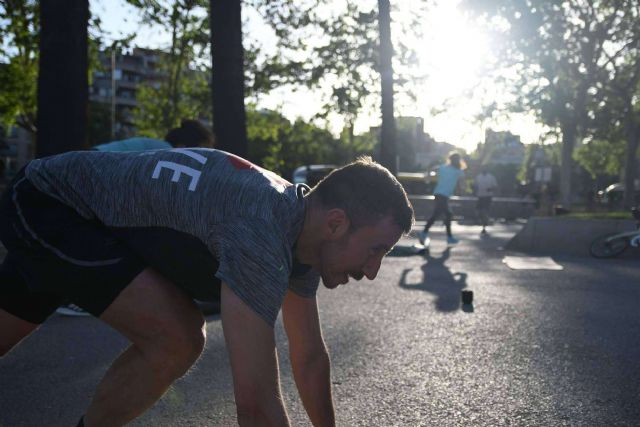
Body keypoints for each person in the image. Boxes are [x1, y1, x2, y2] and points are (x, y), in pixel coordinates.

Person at [0, 148, 413, 426]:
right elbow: (256, 407)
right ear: (336, 223)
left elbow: (309, 358)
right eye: (376, 250)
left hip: (70, 207)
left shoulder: (301, 231)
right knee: (177, 337)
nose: (373, 270)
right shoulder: (261, 232)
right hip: (49, 203)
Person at [56, 119, 216, 317]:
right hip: (87, 183)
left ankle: (74, 295)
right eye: (201, 150)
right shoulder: (167, 154)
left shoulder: (155, 147)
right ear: (184, 147)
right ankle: (80, 298)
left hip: (78, 177)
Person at [418, 152, 466, 246]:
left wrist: (427, 177)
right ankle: (447, 237)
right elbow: (462, 182)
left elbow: (432, 168)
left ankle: (425, 233)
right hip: (442, 195)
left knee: (438, 215)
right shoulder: (458, 171)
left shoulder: (443, 167)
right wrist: (462, 189)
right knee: (447, 214)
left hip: (439, 194)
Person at [473, 166, 498, 234]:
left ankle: (484, 226)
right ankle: (483, 221)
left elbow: (495, 186)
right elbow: (475, 186)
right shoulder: (478, 177)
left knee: (485, 211)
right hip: (480, 196)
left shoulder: (491, 177)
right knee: (479, 211)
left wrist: (490, 189)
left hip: (487, 197)